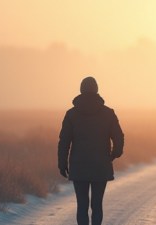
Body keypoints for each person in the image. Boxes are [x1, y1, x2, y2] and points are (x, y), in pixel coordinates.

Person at [58, 76, 124, 225]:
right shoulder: (108, 113)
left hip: (78, 166)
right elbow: (118, 137)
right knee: (97, 204)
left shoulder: (71, 114)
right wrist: (114, 154)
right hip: (101, 166)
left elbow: (64, 141)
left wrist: (62, 163)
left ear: (81, 90)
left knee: (82, 205)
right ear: (96, 89)